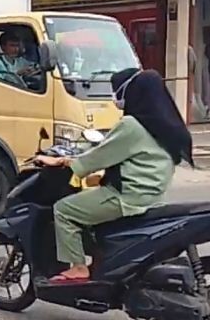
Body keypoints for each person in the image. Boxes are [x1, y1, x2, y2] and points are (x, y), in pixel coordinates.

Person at [36, 68, 194, 283]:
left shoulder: (132, 126)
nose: (116, 98)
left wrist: (63, 162)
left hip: (127, 197)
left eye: (118, 92)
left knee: (64, 210)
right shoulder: (164, 126)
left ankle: (78, 268)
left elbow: (99, 156)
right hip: (152, 197)